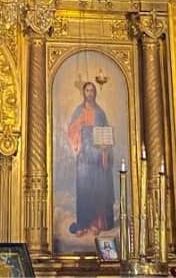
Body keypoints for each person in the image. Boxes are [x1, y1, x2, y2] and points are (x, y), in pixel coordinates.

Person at [67, 82, 115, 237]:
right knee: (83, 188)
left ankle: (96, 222)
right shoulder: (78, 111)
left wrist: (104, 149)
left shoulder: (100, 113)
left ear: (95, 93)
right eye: (87, 90)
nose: (90, 93)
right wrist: (79, 124)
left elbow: (106, 133)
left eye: (92, 90)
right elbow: (71, 130)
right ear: (83, 93)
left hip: (97, 154)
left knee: (96, 187)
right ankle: (83, 223)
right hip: (83, 155)